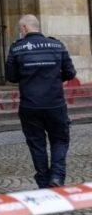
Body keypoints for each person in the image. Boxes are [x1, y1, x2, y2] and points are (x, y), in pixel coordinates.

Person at [6, 14, 76, 189]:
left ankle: (44, 181)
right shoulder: (57, 45)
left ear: (24, 29)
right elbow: (70, 72)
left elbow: (11, 77)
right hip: (55, 103)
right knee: (60, 140)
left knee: (37, 143)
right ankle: (57, 177)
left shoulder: (16, 48)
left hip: (30, 105)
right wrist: (53, 78)